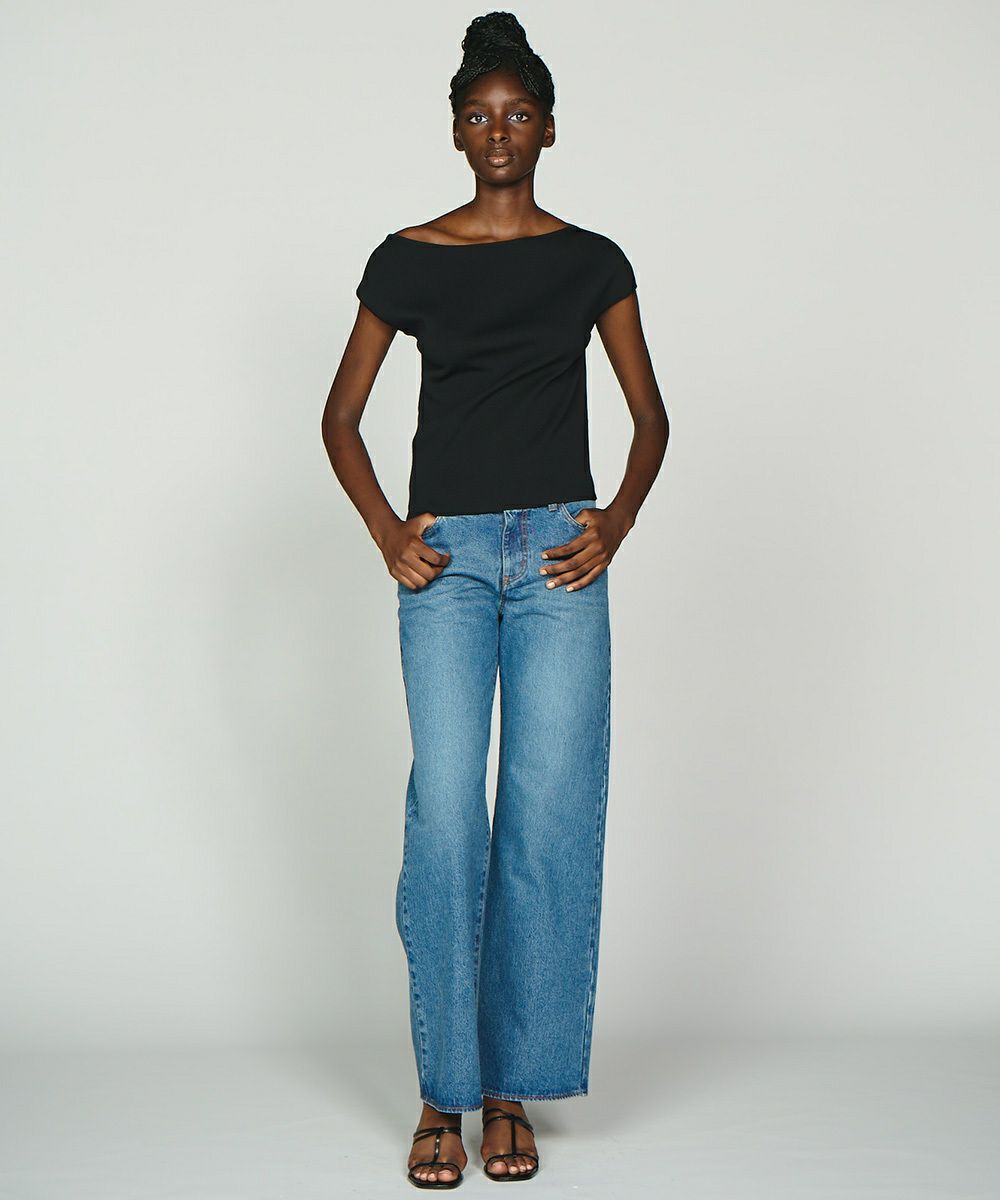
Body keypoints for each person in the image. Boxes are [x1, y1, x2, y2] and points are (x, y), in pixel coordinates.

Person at [322, 10, 669, 1188]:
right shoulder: (407, 258)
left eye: (518, 114)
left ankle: (509, 1088)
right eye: (479, 116)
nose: (499, 132)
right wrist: (388, 533)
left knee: (546, 816)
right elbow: (339, 417)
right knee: (445, 816)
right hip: (451, 563)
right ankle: (443, 1092)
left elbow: (651, 417)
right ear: (457, 132)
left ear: (549, 129)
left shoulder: (592, 261)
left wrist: (615, 521)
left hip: (560, 557)